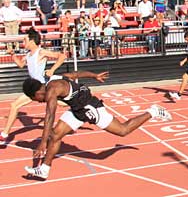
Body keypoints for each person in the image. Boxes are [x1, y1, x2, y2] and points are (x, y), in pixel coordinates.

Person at [22, 71, 171, 179]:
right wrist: (94, 76)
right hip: (77, 109)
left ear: (36, 93)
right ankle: (44, 169)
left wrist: (42, 143)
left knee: (123, 130)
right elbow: (75, 75)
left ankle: (153, 111)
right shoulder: (53, 78)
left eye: (35, 99)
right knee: (55, 135)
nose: (37, 101)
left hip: (89, 107)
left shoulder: (51, 90)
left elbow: (50, 116)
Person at [0, 28, 66, 144]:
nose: (23, 43)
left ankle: (5, 134)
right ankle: (80, 103)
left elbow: (62, 56)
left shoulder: (41, 52)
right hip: (35, 89)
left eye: (24, 40)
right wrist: (13, 55)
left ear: (31, 41)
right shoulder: (28, 55)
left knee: (14, 105)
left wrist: (52, 70)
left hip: (40, 87)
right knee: (61, 103)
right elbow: (20, 65)